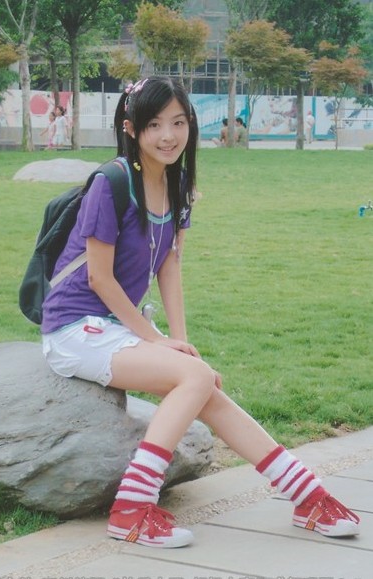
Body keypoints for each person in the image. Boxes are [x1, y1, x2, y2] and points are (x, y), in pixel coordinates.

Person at [41, 76, 360, 549]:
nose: (168, 135)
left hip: (117, 326)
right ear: (130, 129)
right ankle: (131, 509)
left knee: (200, 380)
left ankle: (306, 496)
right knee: (196, 378)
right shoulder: (111, 182)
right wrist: (155, 340)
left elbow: (169, 264)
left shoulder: (178, 182)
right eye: (154, 125)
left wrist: (181, 342)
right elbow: (99, 280)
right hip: (75, 328)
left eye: (178, 122)